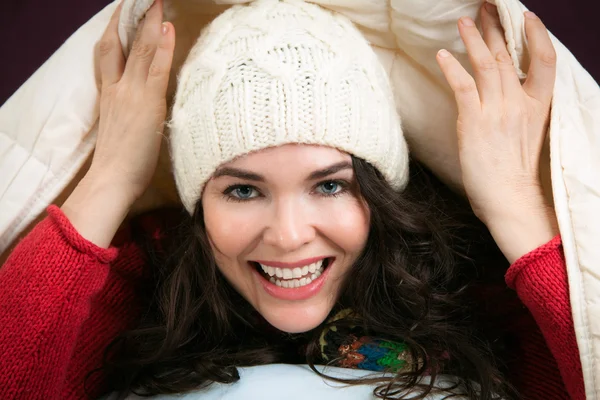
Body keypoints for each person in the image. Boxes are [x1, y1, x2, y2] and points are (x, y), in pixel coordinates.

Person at [0, 0, 584, 399]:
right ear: (199, 207)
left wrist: (513, 202)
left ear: (381, 195)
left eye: (330, 184)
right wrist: (111, 179)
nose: (287, 235)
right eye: (242, 190)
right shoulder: (135, 288)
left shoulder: (478, 294)